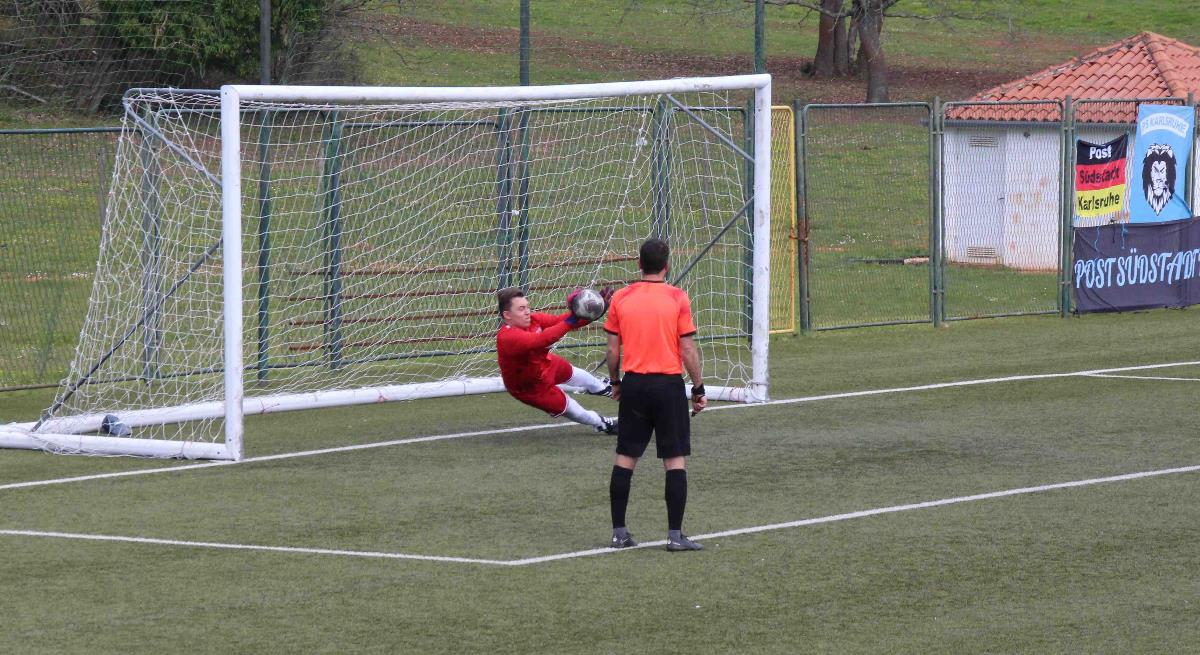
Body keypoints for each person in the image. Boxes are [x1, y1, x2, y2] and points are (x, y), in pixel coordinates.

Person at [603, 237, 707, 552]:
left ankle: (619, 532)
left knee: (625, 457)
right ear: (666, 266)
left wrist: (616, 381)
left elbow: (611, 348)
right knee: (674, 460)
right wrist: (698, 387)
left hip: (634, 385)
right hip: (667, 386)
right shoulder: (677, 297)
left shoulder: (621, 297)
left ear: (639, 264)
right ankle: (675, 536)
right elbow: (687, 348)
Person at [496, 287, 617, 434]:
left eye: (527, 307)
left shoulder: (534, 319)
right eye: (521, 309)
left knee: (584, 377)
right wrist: (573, 317)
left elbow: (563, 321)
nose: (527, 311)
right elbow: (541, 339)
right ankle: (601, 423)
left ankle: (606, 389)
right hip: (531, 387)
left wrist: (595, 309)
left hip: (546, 363)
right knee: (574, 410)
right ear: (507, 315)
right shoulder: (507, 337)